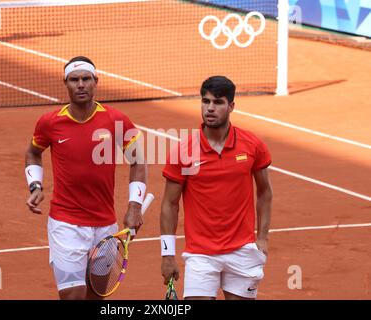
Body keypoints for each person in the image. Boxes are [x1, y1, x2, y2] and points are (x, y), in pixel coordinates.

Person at [24, 56, 147, 300]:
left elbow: (138, 161)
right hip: (66, 224)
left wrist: (135, 206)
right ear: (65, 83)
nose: (80, 84)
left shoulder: (116, 120)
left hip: (105, 225)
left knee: (97, 294)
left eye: (85, 79)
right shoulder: (49, 123)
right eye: (74, 79)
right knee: (73, 296)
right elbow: (33, 153)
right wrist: (35, 185)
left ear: (95, 82)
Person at [160, 76, 273, 300]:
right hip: (200, 254)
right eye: (205, 101)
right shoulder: (184, 150)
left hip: (242, 250)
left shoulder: (252, 145)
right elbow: (169, 204)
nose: (210, 108)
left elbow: (265, 192)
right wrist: (167, 255)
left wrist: (263, 237)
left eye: (218, 102)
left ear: (231, 106)